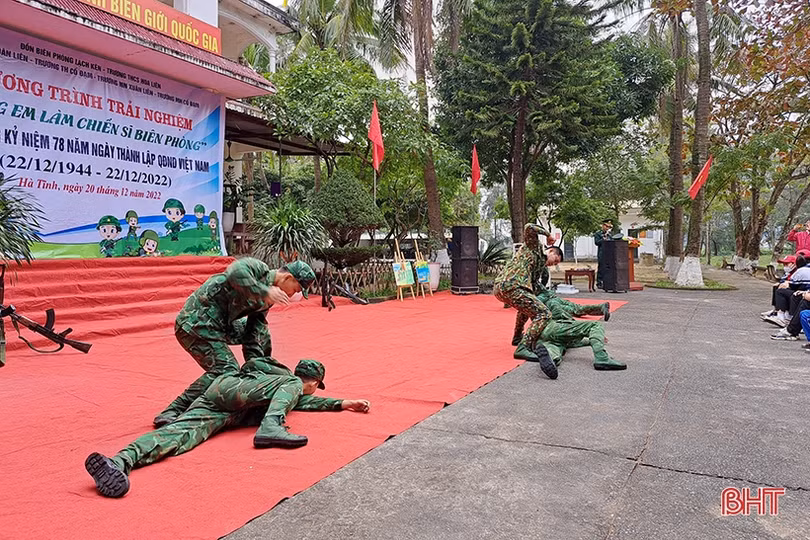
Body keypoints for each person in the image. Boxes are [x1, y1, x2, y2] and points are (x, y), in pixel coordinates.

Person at [84, 358, 371, 498]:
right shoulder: (290, 381)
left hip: (220, 406)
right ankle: (271, 428)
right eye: (315, 388)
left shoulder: (284, 389)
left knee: (177, 437)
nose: (311, 393)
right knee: (289, 393)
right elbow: (298, 396)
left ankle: (119, 461)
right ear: (313, 382)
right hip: (233, 394)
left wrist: (343, 403)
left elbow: (303, 403)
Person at [152, 258, 316, 428]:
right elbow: (235, 272)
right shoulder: (259, 269)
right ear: (287, 278)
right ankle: (173, 410)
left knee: (259, 331)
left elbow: (255, 332)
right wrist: (264, 291)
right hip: (195, 323)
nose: (292, 295)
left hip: (219, 325)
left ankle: (256, 371)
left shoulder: (268, 299)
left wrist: (257, 370)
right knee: (226, 371)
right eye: (296, 289)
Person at [494, 223, 561, 373]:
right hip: (511, 284)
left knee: (527, 305)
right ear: (550, 251)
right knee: (544, 314)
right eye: (555, 259)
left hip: (505, 287)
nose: (553, 264)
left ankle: (517, 338)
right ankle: (523, 347)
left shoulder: (540, 269)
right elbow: (529, 227)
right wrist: (548, 234)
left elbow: (538, 288)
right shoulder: (534, 247)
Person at [511, 266, 611, 346]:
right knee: (576, 308)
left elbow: (525, 311)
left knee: (573, 311)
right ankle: (601, 307)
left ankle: (600, 309)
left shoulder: (526, 284)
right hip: (552, 298)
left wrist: (517, 336)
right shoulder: (534, 279)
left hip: (551, 302)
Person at [533, 317, 626, 379]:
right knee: (595, 325)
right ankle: (602, 357)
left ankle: (552, 358)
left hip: (542, 336)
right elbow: (576, 310)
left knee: (555, 347)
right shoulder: (553, 301)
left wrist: (593, 340)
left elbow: (574, 341)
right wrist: (596, 337)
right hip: (554, 327)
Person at [594, 219, 613, 289]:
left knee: (608, 268)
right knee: (601, 268)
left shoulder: (610, 234)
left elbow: (612, 241)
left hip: (609, 253)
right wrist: (603, 238)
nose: (607, 228)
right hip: (602, 253)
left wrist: (608, 237)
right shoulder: (598, 233)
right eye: (606, 226)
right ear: (603, 226)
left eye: (608, 227)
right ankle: (599, 282)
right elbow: (596, 242)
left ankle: (607, 282)